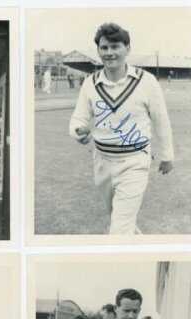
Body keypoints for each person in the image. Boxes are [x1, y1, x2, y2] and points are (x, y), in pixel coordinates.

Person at [69, 23, 174, 234]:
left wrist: (167, 155)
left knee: (119, 229)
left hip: (134, 162)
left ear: (127, 48)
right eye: (104, 48)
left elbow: (161, 120)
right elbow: (79, 117)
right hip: (102, 162)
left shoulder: (147, 81)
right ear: (98, 50)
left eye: (115, 46)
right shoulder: (90, 83)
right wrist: (78, 130)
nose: (110, 53)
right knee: (117, 217)